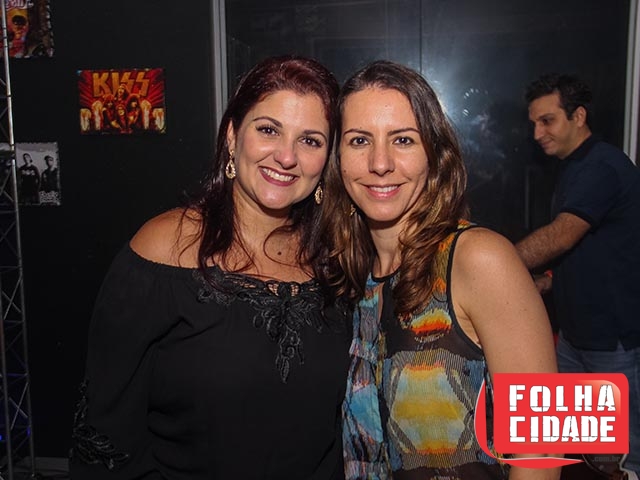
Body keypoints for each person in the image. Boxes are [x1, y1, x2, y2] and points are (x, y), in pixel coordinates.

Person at [69, 55, 351, 479]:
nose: (286, 156)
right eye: (268, 130)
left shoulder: (337, 260)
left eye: (310, 140)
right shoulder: (164, 249)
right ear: (233, 136)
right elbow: (105, 430)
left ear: (327, 159)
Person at [322, 60, 559, 479]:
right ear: (338, 158)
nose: (380, 163)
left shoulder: (479, 259)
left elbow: (541, 451)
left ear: (435, 154)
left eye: (403, 140)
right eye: (359, 140)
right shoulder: (350, 275)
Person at [515, 73, 640, 476]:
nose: (537, 133)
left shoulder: (603, 166)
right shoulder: (574, 167)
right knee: (570, 445)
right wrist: (547, 282)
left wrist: (496, 265)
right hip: (573, 338)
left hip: (611, 342)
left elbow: (562, 236)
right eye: (534, 123)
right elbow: (596, 251)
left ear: (579, 116)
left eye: (547, 121)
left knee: (621, 459)